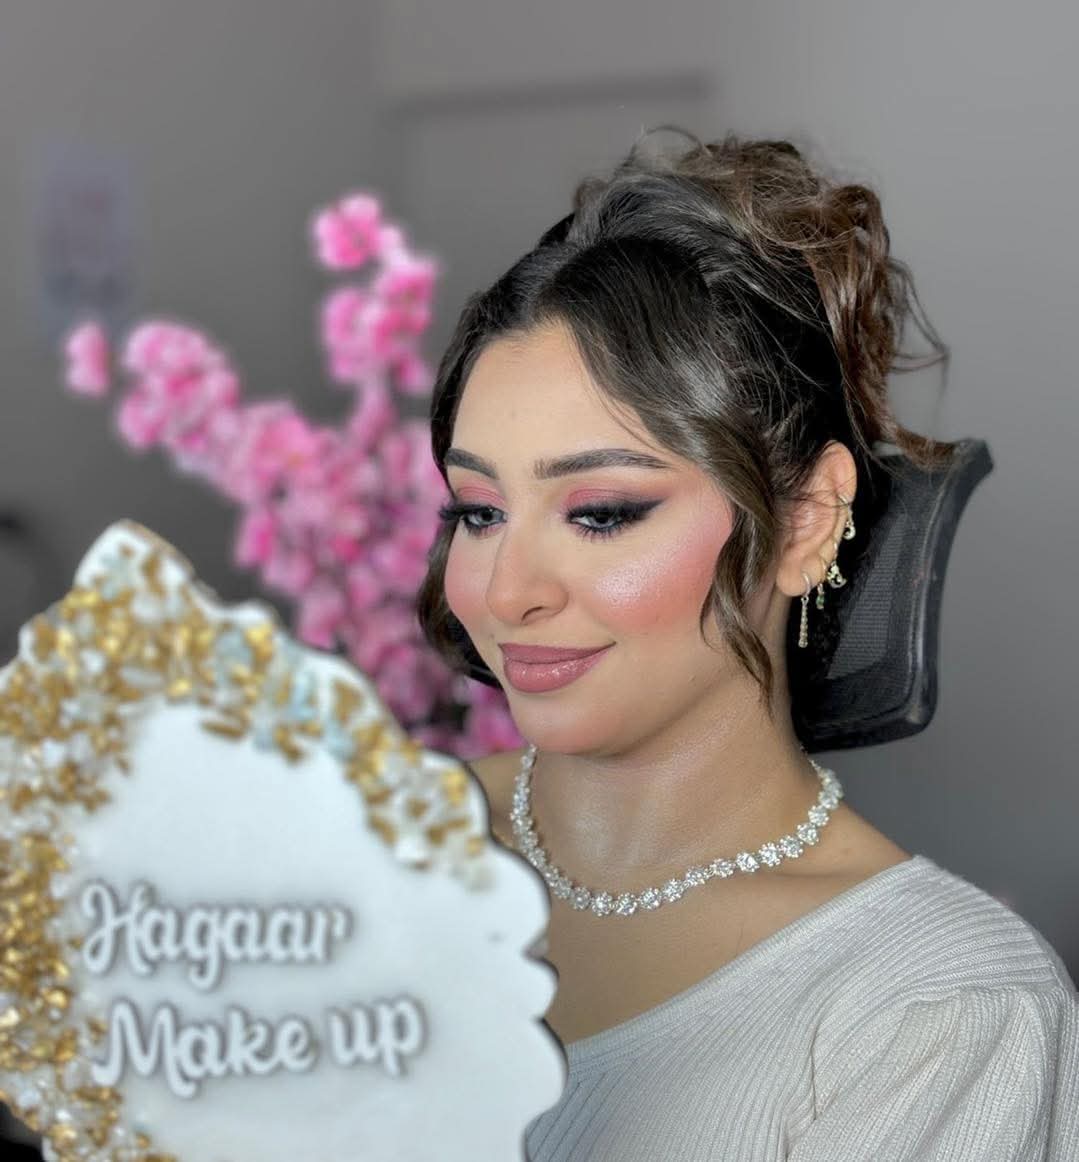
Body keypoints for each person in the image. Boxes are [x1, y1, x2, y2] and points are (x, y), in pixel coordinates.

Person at [415, 128, 1079, 1160]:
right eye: (478, 512)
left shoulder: (938, 1008)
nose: (506, 593)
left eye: (600, 513)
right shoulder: (356, 841)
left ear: (807, 521)